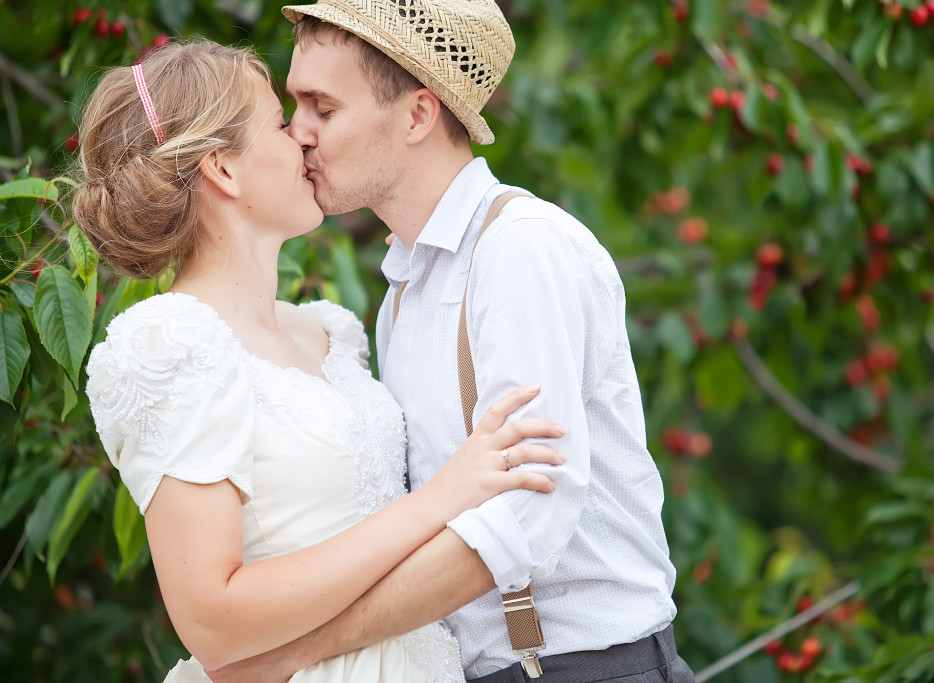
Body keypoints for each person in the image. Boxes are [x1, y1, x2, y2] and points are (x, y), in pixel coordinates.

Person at [209, 1, 697, 681]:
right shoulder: (403, 289)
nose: (299, 134)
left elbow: (526, 515)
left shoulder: (519, 250)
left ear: (417, 114)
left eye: (324, 107)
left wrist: (304, 650)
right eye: (296, 105)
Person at [74, 39, 568, 682]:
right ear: (223, 169)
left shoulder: (325, 333)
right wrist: (439, 500)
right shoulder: (171, 343)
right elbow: (212, 619)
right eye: (281, 122)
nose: (303, 137)